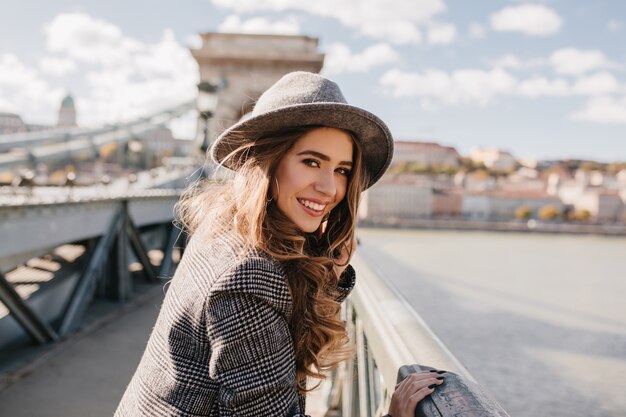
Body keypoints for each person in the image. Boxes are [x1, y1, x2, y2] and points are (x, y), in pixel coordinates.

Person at [114, 71, 443, 417]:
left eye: (342, 170)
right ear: (268, 160)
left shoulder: (221, 226)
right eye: (311, 162)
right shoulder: (250, 276)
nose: (330, 188)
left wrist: (329, 275)